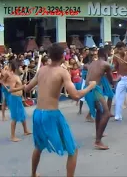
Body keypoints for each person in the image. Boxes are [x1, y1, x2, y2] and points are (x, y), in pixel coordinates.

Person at [11, 43, 96, 177]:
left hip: (38, 113)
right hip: (51, 114)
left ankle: (33, 174)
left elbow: (26, 89)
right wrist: (90, 86)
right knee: (73, 149)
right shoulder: (62, 72)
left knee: (39, 146)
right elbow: (76, 95)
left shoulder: (42, 69)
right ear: (63, 56)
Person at [84, 48, 113, 150]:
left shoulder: (93, 63)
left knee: (99, 112)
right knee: (107, 113)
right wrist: (116, 81)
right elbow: (110, 79)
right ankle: (98, 141)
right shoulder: (105, 64)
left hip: (87, 89)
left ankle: (98, 135)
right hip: (94, 89)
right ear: (105, 54)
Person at [3, 61, 32, 141]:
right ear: (16, 68)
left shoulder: (17, 76)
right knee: (15, 117)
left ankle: (25, 130)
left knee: (22, 114)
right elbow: (11, 90)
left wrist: (24, 86)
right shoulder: (13, 77)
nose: (21, 68)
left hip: (18, 98)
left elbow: (20, 86)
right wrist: (22, 87)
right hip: (14, 98)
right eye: (19, 67)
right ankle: (12, 136)